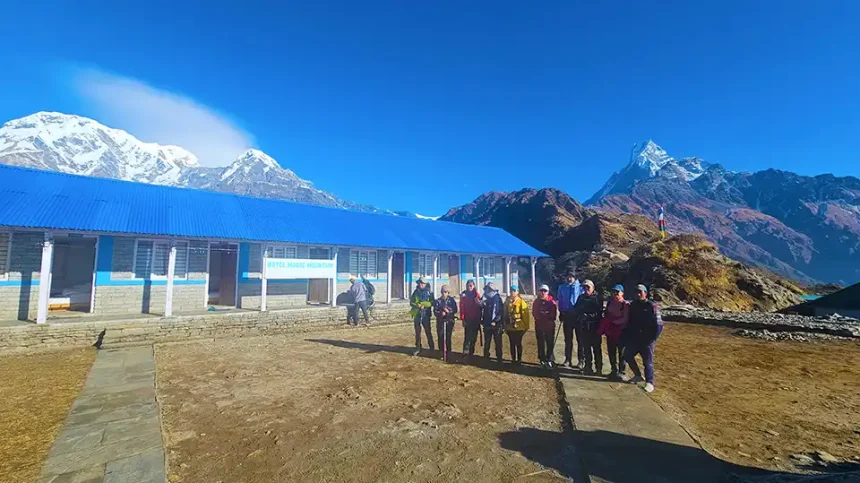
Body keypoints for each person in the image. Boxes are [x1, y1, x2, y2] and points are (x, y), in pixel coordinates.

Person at [624, 284, 663, 393]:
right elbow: (630, 321)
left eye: (640, 292)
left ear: (645, 293)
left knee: (647, 362)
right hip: (635, 338)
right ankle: (637, 375)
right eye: (636, 292)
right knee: (627, 355)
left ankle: (650, 382)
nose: (638, 294)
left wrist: (653, 338)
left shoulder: (652, 306)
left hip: (647, 339)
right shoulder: (633, 305)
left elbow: (659, 325)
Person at [571, 279, 603, 375]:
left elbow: (599, 312)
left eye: (588, 287)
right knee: (586, 348)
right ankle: (588, 366)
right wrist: (579, 315)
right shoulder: (581, 297)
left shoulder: (597, 298)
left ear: (593, 288)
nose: (586, 289)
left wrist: (588, 316)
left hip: (595, 326)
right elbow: (575, 308)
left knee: (596, 348)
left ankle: (598, 368)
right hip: (584, 327)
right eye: (584, 287)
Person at [599, 284, 629, 380]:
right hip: (610, 331)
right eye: (613, 292)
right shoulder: (610, 303)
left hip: (621, 332)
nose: (615, 294)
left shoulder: (625, 304)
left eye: (617, 292)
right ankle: (614, 370)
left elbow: (625, 318)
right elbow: (606, 314)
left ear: (622, 293)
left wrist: (613, 322)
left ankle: (622, 372)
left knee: (622, 353)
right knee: (611, 352)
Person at [557, 273, 582, 368]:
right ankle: (568, 359)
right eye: (568, 276)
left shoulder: (580, 287)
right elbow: (560, 300)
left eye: (571, 277)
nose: (569, 278)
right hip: (567, 315)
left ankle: (581, 360)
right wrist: (561, 312)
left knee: (580, 340)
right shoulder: (562, 287)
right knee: (568, 339)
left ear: (575, 278)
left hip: (578, 316)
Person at [503, 285, 531, 364]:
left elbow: (525, 315)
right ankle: (513, 359)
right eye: (511, 290)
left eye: (514, 291)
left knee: (518, 343)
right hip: (509, 326)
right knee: (512, 343)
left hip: (519, 326)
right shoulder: (507, 301)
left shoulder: (521, 302)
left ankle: (519, 359)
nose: (512, 292)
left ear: (518, 292)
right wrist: (504, 325)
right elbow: (504, 314)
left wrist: (526, 326)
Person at [532, 284, 558, 368]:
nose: (543, 293)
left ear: (548, 292)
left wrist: (546, 316)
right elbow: (534, 313)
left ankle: (550, 359)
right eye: (541, 291)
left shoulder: (551, 301)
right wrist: (541, 316)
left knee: (550, 342)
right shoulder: (536, 302)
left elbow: (553, 314)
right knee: (541, 343)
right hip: (539, 325)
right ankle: (542, 359)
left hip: (549, 326)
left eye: (545, 291)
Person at [410, 278, 435, 356]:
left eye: (422, 283)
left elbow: (432, 302)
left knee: (428, 331)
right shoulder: (415, 292)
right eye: (419, 283)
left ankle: (431, 347)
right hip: (417, 314)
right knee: (417, 332)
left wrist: (424, 304)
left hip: (426, 315)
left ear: (425, 284)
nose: (421, 284)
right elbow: (411, 302)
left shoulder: (430, 292)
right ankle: (418, 347)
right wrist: (416, 305)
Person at [433, 285, 458, 361]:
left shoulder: (451, 300)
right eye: (443, 292)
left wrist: (448, 311)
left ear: (448, 292)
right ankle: (441, 352)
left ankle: (449, 351)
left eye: (445, 292)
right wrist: (441, 313)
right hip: (440, 322)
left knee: (448, 337)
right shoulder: (438, 301)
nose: (444, 293)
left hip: (449, 321)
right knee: (441, 337)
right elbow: (435, 311)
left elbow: (455, 309)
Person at [481, 282, 503, 362]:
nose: (487, 290)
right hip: (487, 323)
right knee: (487, 341)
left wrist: (495, 321)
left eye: (489, 289)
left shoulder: (497, 299)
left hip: (496, 324)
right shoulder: (485, 298)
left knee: (498, 342)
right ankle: (486, 355)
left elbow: (500, 311)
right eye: (487, 289)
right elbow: (483, 310)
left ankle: (499, 357)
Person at [459, 280, 482, 358]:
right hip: (467, 319)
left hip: (475, 319)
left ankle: (471, 352)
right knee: (467, 337)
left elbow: (480, 307)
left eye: (471, 286)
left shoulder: (476, 295)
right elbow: (462, 307)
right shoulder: (464, 295)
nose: (469, 287)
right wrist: (463, 319)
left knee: (474, 337)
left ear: (474, 286)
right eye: (468, 285)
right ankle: (465, 353)